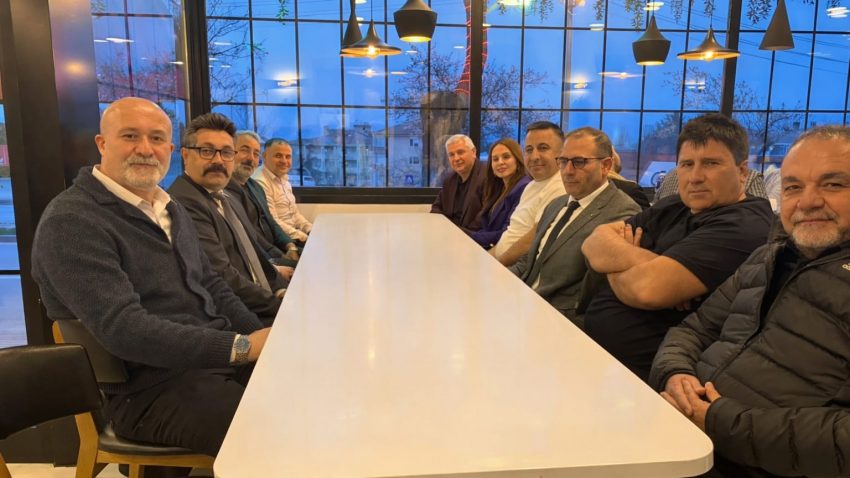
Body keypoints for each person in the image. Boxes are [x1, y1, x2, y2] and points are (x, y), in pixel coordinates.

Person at [30, 97, 270, 457]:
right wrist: (242, 347)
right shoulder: (73, 221)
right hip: (148, 390)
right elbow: (124, 329)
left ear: (170, 150)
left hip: (210, 363)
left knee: (310, 394)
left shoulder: (169, 207)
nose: (145, 149)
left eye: (157, 138)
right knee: (272, 434)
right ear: (102, 144)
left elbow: (213, 286)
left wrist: (262, 341)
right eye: (130, 136)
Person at [649, 125, 850, 478]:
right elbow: (693, 329)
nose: (807, 202)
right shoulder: (767, 258)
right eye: (793, 187)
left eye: (833, 184)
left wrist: (720, 422)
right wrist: (675, 373)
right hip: (683, 431)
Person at [581, 113, 774, 381]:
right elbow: (594, 242)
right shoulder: (675, 205)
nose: (695, 177)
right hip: (597, 356)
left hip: (653, 378)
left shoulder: (745, 224)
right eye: (686, 164)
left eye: (711, 163)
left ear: (742, 172)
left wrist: (614, 264)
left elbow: (647, 290)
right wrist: (651, 263)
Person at [510, 128, 641, 324]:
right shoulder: (556, 205)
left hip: (557, 319)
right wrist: (497, 281)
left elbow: (591, 295)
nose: (568, 171)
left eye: (579, 162)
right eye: (563, 161)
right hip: (521, 300)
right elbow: (529, 261)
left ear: (606, 165)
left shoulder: (623, 213)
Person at [168, 113, 288, 323]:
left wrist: (280, 289)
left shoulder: (226, 196)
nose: (218, 161)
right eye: (206, 151)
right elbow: (223, 277)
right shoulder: (184, 202)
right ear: (185, 155)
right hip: (238, 312)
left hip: (262, 297)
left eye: (226, 152)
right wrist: (280, 306)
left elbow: (255, 254)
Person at [490, 121, 567, 266]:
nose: (534, 156)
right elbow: (511, 233)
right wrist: (485, 259)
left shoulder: (560, 187)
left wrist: (494, 265)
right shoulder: (531, 186)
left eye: (543, 148)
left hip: (514, 270)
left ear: (561, 153)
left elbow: (532, 240)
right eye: (529, 150)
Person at [227, 130, 300, 267]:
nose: (250, 158)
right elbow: (248, 237)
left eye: (256, 154)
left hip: (277, 248)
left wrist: (290, 246)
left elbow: (271, 222)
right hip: (261, 258)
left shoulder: (254, 186)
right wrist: (278, 258)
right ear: (229, 153)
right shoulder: (225, 193)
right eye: (245, 150)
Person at [469, 138, 531, 248]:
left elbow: (506, 233)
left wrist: (469, 236)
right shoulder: (499, 187)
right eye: (495, 159)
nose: (500, 162)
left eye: (506, 157)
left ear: (517, 159)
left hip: (506, 251)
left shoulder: (522, 187)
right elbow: (488, 227)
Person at [254, 138, 312, 242]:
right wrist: (304, 238)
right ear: (264, 156)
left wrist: (310, 229)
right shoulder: (260, 182)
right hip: (281, 240)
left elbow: (294, 215)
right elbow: (273, 222)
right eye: (278, 156)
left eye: (288, 156)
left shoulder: (284, 179)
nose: (284, 161)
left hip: (294, 234)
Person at [430, 134, 486, 231]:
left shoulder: (486, 177)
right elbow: (436, 208)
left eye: (460, 152)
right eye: (451, 155)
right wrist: (444, 228)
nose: (456, 158)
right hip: (449, 232)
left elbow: (485, 217)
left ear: (473, 152)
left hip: (472, 235)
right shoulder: (449, 180)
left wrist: (457, 232)